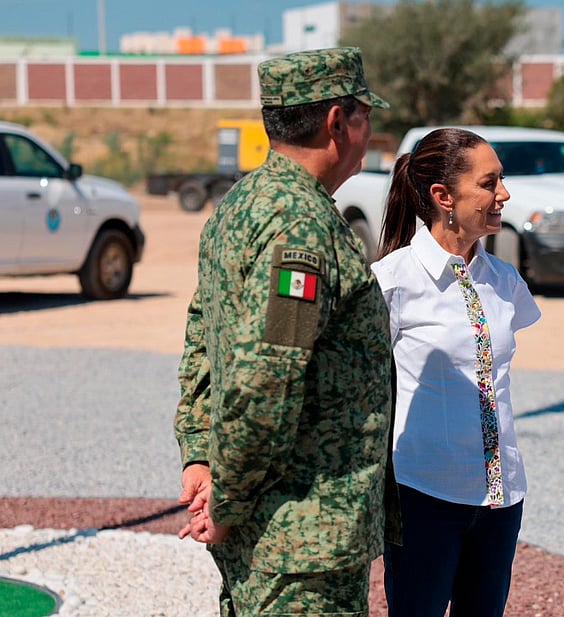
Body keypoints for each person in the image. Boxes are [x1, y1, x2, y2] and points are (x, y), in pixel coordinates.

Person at [172, 47, 395, 616]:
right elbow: (265, 381)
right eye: (365, 116)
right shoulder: (302, 226)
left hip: (275, 536)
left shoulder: (241, 204)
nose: (370, 133)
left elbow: (203, 338)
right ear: (336, 123)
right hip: (302, 544)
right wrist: (227, 500)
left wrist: (200, 457)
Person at [371, 127, 541, 617]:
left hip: (502, 493)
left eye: (501, 180)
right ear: (443, 197)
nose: (503, 194)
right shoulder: (391, 283)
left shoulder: (505, 281)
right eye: (489, 183)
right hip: (425, 495)